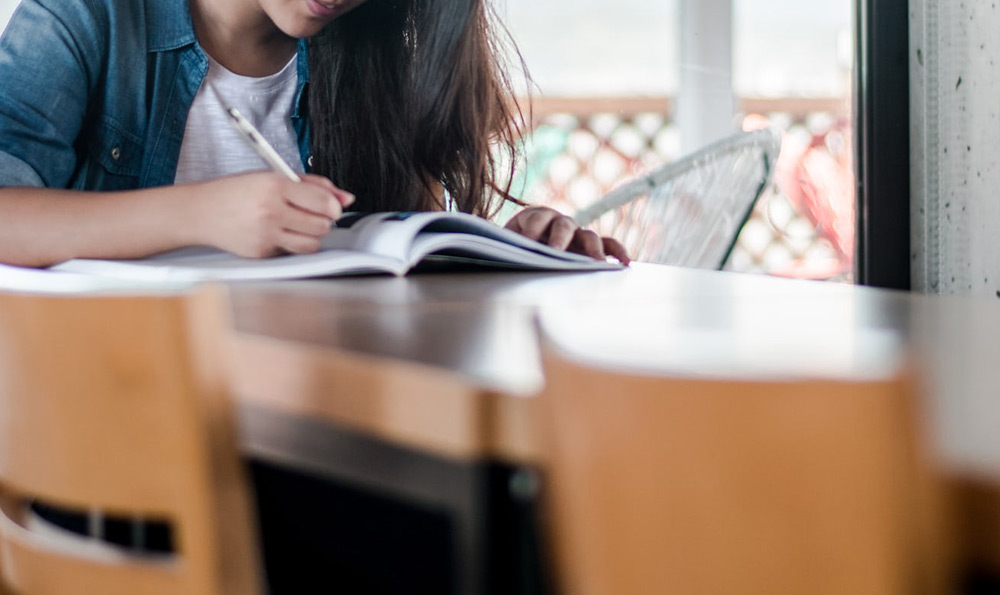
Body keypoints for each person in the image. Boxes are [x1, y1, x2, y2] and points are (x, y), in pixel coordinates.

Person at [0, 0, 629, 267]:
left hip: (301, 424)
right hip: (106, 417)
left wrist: (498, 253)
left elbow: (396, 256)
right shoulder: (86, 17)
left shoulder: (369, 57)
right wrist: (199, 214)